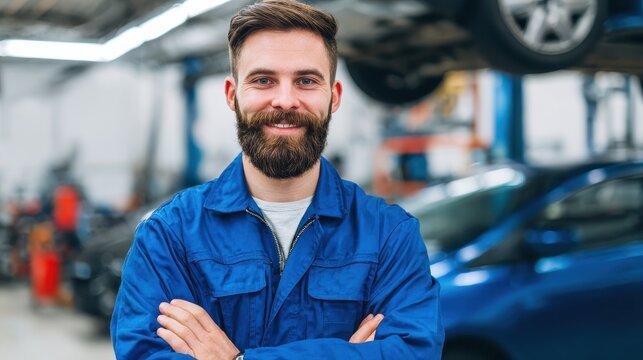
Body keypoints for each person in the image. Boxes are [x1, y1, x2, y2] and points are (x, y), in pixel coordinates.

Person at [111, 1, 444, 359]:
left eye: (306, 81)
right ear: (232, 95)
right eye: (263, 80)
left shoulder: (389, 235)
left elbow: (413, 352)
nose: (285, 100)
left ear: (333, 97)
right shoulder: (170, 235)